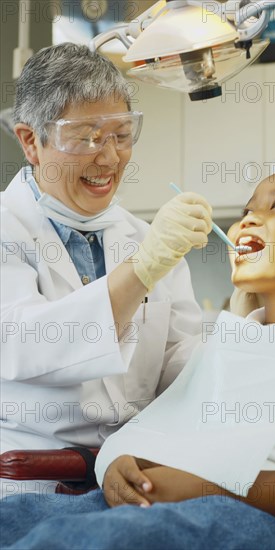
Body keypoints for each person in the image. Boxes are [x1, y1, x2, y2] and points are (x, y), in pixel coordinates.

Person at [1, 163, 275, 550]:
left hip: (262, 521)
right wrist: (118, 465)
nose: (250, 220)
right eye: (245, 212)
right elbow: (161, 432)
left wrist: (215, 487)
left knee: (76, 540)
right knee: (14, 519)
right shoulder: (225, 343)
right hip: (163, 507)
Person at [0, 43, 213, 497]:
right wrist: (142, 268)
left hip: (138, 472)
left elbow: (179, 361)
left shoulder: (144, 237)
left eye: (121, 134)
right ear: (30, 141)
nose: (109, 157)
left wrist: (251, 333)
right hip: (32, 483)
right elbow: (23, 342)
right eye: (85, 136)